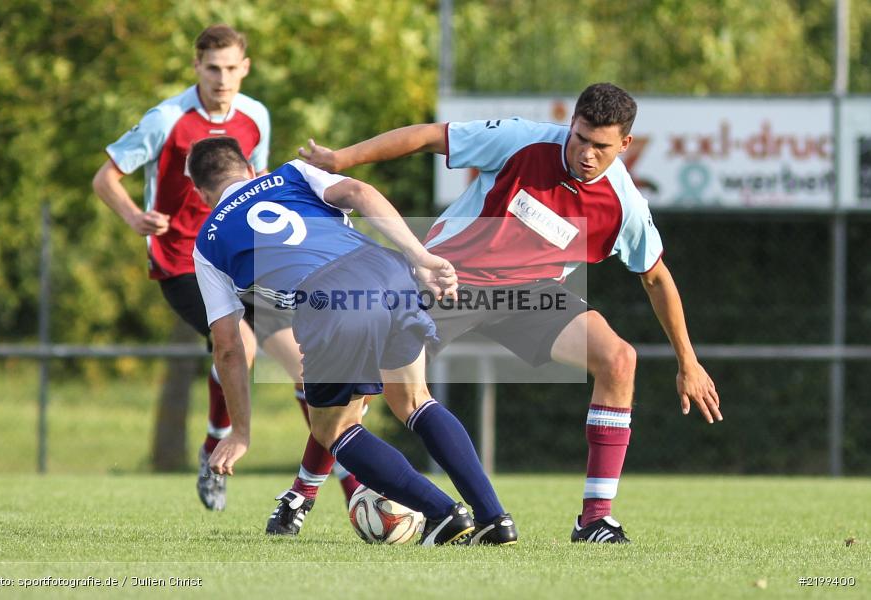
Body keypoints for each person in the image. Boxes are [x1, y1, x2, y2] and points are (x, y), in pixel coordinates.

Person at [299, 82, 722, 544]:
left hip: (532, 295)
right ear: (571, 124)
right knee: (363, 388)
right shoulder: (523, 140)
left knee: (619, 359)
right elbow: (427, 135)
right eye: (580, 137)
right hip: (448, 279)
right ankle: (302, 494)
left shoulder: (625, 206)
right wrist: (342, 161)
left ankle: (594, 520)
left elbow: (656, 277)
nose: (586, 153)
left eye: (601, 146)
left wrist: (688, 360)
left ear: (624, 145)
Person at [188, 136, 517, 546]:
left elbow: (229, 348)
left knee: (334, 429)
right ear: (251, 169)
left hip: (330, 299)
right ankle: (494, 518)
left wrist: (240, 431)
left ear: (201, 194)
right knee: (415, 400)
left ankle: (444, 513)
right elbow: (360, 192)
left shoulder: (207, 243)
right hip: (387, 269)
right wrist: (420, 256)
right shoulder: (291, 173)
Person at [92, 24, 360, 513]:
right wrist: (135, 216)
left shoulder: (256, 115)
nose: (222, 78)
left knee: (304, 368)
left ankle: (353, 489)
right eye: (212, 68)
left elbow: (254, 186)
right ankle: (223, 441)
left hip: (243, 259)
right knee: (242, 344)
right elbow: (105, 177)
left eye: (231, 68)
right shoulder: (167, 119)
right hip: (181, 261)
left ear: (246, 68)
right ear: (196, 67)